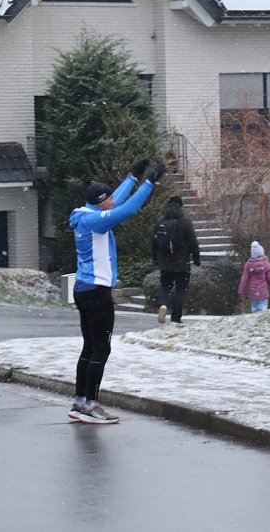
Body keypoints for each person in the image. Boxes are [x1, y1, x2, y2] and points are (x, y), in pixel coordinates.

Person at [68, 159, 166, 424]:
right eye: (107, 197)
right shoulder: (96, 222)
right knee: (102, 348)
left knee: (89, 346)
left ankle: (79, 401)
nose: (112, 200)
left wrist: (132, 177)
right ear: (100, 202)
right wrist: (149, 183)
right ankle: (91, 405)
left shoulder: (84, 214)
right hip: (98, 292)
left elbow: (115, 203)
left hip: (83, 289)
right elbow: (127, 209)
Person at [152, 195, 201, 324]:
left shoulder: (160, 222)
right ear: (181, 206)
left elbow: (154, 242)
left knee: (165, 286)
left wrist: (155, 259)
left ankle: (163, 304)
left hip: (165, 263)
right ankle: (176, 318)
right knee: (180, 290)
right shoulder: (185, 222)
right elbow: (193, 242)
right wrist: (196, 259)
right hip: (182, 264)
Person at [238, 241, 270, 312]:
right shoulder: (266, 264)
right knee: (263, 310)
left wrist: (241, 290)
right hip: (263, 292)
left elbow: (244, 279)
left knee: (254, 309)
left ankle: (255, 316)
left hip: (253, 292)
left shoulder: (248, 265)